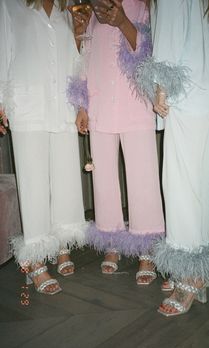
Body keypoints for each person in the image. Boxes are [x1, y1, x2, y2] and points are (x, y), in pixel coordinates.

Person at [134, 0, 209, 314]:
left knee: (180, 190)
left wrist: (160, 89)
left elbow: (171, 38)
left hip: (186, 98)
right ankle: (199, 274)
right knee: (199, 188)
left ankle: (188, 276)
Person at [68, 0, 165, 285]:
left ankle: (146, 249)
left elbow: (147, 54)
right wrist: (82, 106)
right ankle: (111, 242)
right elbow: (85, 57)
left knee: (143, 180)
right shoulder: (93, 12)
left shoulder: (143, 7)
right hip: (99, 108)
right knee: (104, 179)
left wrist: (123, 21)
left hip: (136, 107)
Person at [0, 0, 88, 295]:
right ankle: (36, 261)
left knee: (65, 181)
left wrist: (80, 102)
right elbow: (2, 52)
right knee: (34, 184)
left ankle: (62, 244)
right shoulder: (10, 5)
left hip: (62, 105)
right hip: (27, 105)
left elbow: (76, 58)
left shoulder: (68, 7)